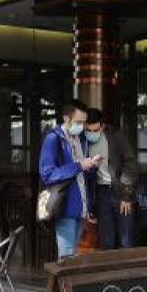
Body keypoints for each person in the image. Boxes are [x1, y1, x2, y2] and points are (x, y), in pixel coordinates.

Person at [39, 99, 100, 259]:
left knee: (72, 257)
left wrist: (91, 164)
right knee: (66, 258)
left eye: (83, 122)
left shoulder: (80, 139)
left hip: (81, 207)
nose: (81, 126)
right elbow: (47, 174)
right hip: (65, 206)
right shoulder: (53, 139)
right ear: (66, 118)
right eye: (78, 122)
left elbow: (82, 172)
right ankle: (61, 285)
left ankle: (62, 285)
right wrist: (79, 165)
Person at [83, 109, 138, 250]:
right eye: (88, 130)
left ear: (102, 126)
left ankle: (126, 272)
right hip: (101, 192)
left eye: (94, 130)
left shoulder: (116, 136)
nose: (91, 133)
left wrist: (126, 195)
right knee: (106, 240)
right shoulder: (83, 140)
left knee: (126, 239)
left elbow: (130, 164)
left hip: (120, 190)